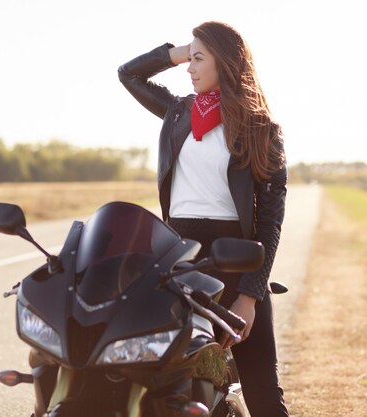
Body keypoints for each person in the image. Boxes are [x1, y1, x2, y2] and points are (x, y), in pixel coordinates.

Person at [118, 21, 289, 416]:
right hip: (177, 262)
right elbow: (129, 73)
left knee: (262, 391)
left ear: (225, 64)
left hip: (237, 261)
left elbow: (270, 222)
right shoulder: (179, 112)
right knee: (167, 387)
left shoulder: (262, 129)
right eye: (187, 59)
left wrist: (250, 296)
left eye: (198, 59)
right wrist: (181, 51)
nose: (188, 68)